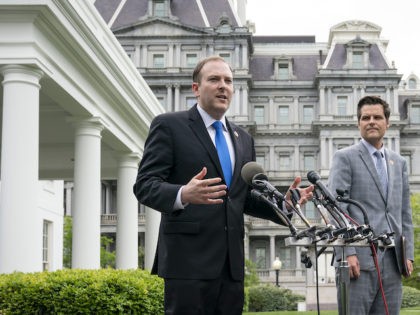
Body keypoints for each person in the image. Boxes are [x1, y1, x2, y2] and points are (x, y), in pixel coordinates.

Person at [133, 55, 313, 315]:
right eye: (214, 79)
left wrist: (284, 203)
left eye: (228, 81)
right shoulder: (169, 125)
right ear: (196, 88)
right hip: (188, 265)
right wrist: (184, 193)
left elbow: (242, 198)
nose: (223, 86)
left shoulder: (243, 139)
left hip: (231, 268)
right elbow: (144, 186)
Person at [328, 95, 414, 315]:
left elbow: (405, 213)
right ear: (358, 124)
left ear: (387, 122)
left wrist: (408, 254)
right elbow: (336, 209)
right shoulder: (344, 157)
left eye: (377, 117)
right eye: (365, 118)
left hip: (393, 263)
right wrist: (347, 252)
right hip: (358, 261)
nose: (371, 121)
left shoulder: (399, 162)